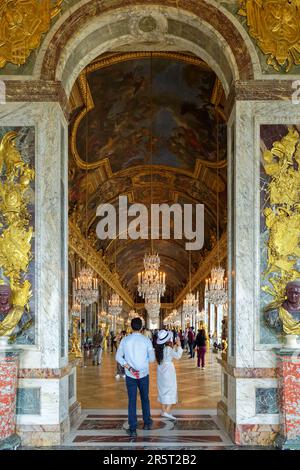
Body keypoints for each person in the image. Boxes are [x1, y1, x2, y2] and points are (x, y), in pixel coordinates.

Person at [116, 317, 155, 439]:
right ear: (142, 327)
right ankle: (147, 423)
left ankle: (133, 429)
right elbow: (152, 359)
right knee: (145, 398)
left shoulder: (125, 340)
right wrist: (143, 362)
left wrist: (129, 366)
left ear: (131, 327)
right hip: (143, 374)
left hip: (130, 375)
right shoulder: (146, 340)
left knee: (132, 401)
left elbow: (118, 357)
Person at [155, 330, 183, 420]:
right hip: (168, 371)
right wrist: (179, 345)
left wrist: (174, 346)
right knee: (171, 389)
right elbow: (178, 356)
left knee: (163, 390)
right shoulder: (168, 349)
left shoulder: (159, 348)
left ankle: (163, 410)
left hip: (161, 370)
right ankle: (167, 411)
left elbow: (168, 353)